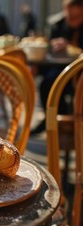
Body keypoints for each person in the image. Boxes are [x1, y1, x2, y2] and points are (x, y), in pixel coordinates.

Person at [31, 0, 83, 135]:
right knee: (47, 82)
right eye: (68, 13)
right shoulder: (57, 24)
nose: (70, 18)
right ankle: (52, 120)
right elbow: (47, 49)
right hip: (58, 69)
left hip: (79, 73)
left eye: (75, 16)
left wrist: (72, 47)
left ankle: (63, 123)